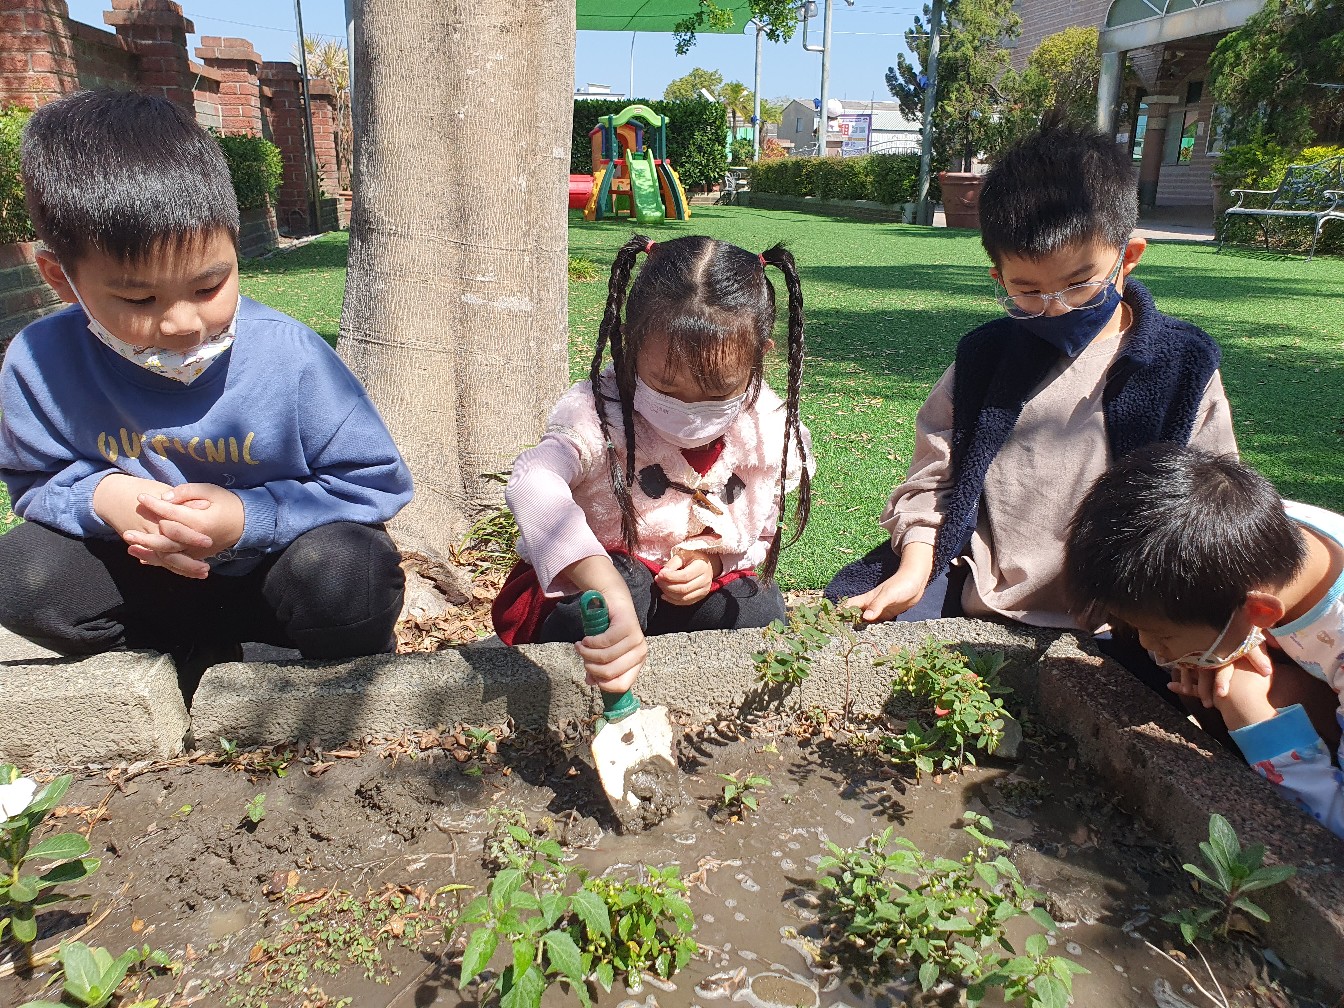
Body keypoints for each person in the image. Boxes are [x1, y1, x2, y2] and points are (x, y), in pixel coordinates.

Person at [0, 90, 413, 695]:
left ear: (232, 247)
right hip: (148, 578)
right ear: (62, 278)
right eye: (139, 299)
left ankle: (310, 673)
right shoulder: (39, 360)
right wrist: (104, 497)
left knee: (350, 574)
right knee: (21, 577)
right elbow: (35, 478)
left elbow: (375, 481)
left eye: (208, 286)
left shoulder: (290, 356)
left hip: (274, 573)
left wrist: (248, 517)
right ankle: (182, 658)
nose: (182, 324)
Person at [824, 116, 1237, 660]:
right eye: (1029, 291)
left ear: (1129, 256)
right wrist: (915, 568)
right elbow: (933, 479)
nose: (1056, 308)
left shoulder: (1180, 366)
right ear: (999, 277)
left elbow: (1209, 507)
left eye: (1079, 284)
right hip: (977, 585)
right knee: (851, 638)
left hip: (1121, 615)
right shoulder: (985, 358)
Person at [493, 234, 812, 694]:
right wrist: (603, 581)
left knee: (756, 606)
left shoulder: (766, 428)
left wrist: (714, 562)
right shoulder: (596, 414)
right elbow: (532, 480)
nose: (689, 410)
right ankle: (579, 688)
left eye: (718, 389)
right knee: (624, 584)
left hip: (683, 601)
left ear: (760, 354)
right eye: (665, 386)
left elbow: (760, 530)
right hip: (593, 591)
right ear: (631, 341)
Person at [1065, 445, 1344, 838]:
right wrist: (1238, 642)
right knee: (1202, 669)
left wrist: (1255, 717)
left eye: (1162, 635)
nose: (1150, 645)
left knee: (1233, 690)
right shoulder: (1260, 537)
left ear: (1260, 611)